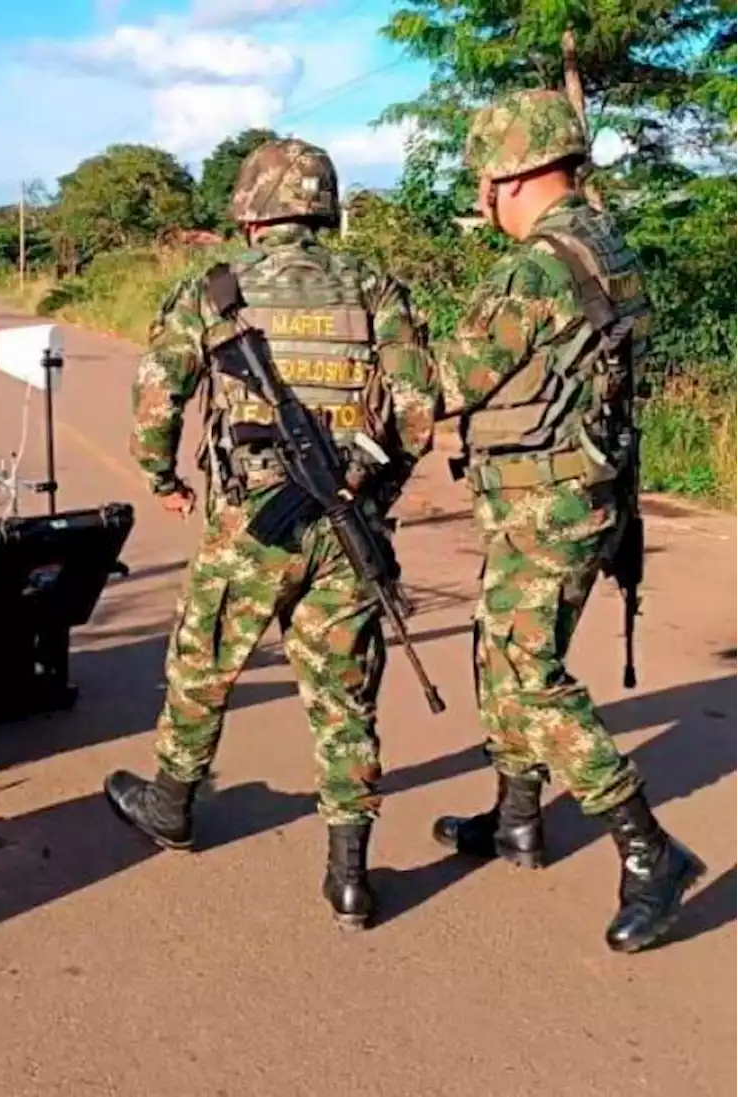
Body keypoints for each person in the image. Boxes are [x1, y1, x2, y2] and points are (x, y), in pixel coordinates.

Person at [103, 138, 440, 930]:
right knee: (344, 691)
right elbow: (420, 409)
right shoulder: (376, 288)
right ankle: (350, 873)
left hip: (252, 522)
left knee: (202, 661)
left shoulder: (214, 290)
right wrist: (371, 486)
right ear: (324, 206)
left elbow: (157, 397)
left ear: (251, 211)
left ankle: (172, 804)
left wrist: (163, 478)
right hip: (347, 521)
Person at [430, 88, 705, 953]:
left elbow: (445, 382)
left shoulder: (535, 269)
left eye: (484, 176)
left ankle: (649, 849)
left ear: (507, 175)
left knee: (525, 672)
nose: (481, 193)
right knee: (497, 642)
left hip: (549, 503)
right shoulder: (604, 242)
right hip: (577, 493)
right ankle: (517, 818)